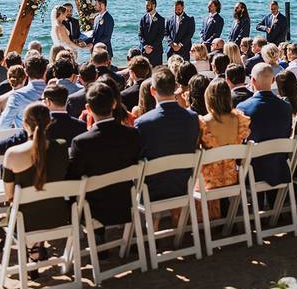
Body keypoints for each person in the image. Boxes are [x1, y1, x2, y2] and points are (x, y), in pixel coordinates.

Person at [67, 82, 142, 226]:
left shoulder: (81, 142)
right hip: (126, 203)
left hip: (93, 210)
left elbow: (73, 178)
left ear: (88, 109)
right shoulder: (132, 134)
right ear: (114, 104)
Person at [2, 103, 71, 236]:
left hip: (24, 223)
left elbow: (9, 196)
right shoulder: (62, 147)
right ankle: (35, 247)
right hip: (59, 217)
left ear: (25, 123)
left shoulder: (12, 154)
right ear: (49, 122)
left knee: (9, 216)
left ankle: (28, 245)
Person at [134, 67, 201, 200]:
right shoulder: (192, 117)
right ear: (175, 87)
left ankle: (153, 220)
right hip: (185, 185)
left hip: (152, 191)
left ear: (153, 91)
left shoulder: (142, 123)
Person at [197, 79, 251, 217]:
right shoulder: (240, 119)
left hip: (209, 182)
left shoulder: (203, 122)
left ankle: (211, 220)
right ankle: (226, 219)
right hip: (232, 177)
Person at [236, 63, 293, 186]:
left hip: (253, 171)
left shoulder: (243, 108)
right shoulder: (286, 107)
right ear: (273, 80)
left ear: (252, 80)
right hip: (279, 168)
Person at [0, 55, 48, 129]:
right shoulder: (55, 92)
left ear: (26, 73)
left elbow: (3, 126)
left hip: (24, 138)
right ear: (45, 71)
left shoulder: (17, 96)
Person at [138, 0, 165, 66]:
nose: (146, 7)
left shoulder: (161, 19)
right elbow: (140, 34)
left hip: (156, 51)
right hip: (144, 51)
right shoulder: (143, 19)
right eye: (146, 5)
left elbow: (161, 36)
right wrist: (145, 46)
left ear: (154, 5)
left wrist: (152, 47)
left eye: (148, 5)